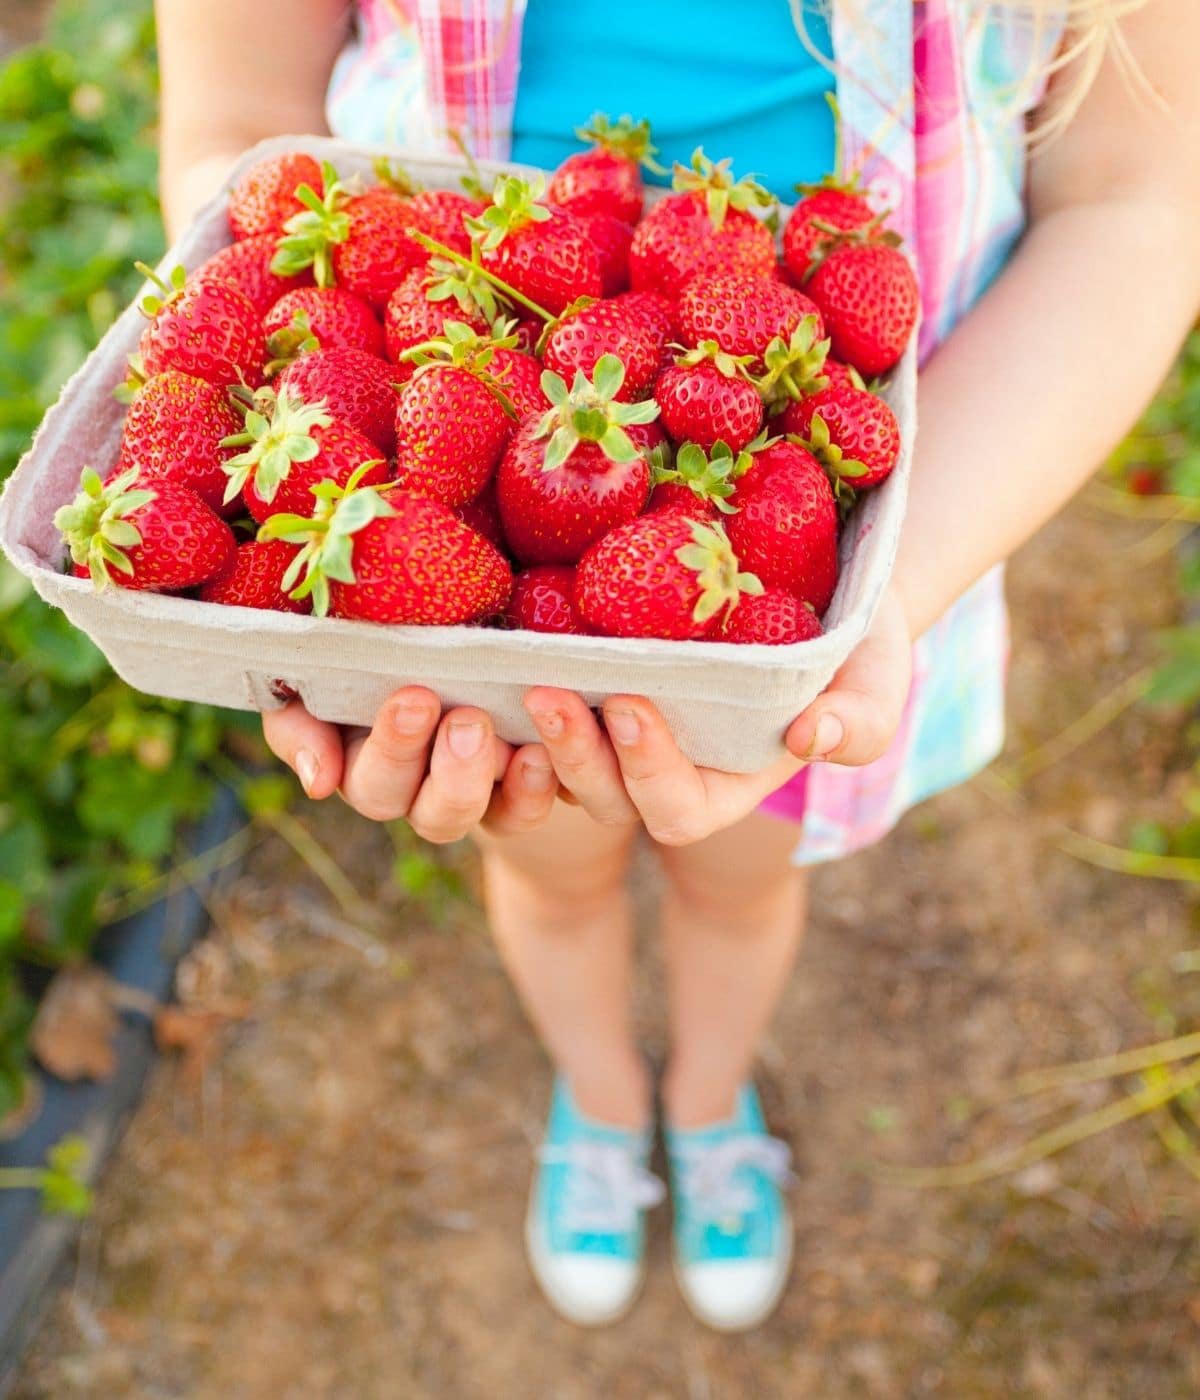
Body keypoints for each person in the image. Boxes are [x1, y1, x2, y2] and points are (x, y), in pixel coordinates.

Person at [155, 0, 1200, 1331]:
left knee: (743, 879)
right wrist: (325, 499)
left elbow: (1132, 202)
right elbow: (239, 140)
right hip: (455, 400)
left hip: (811, 513)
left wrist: (884, 594)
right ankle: (600, 1102)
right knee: (546, 865)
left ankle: (708, 1107)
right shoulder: (434, 448)